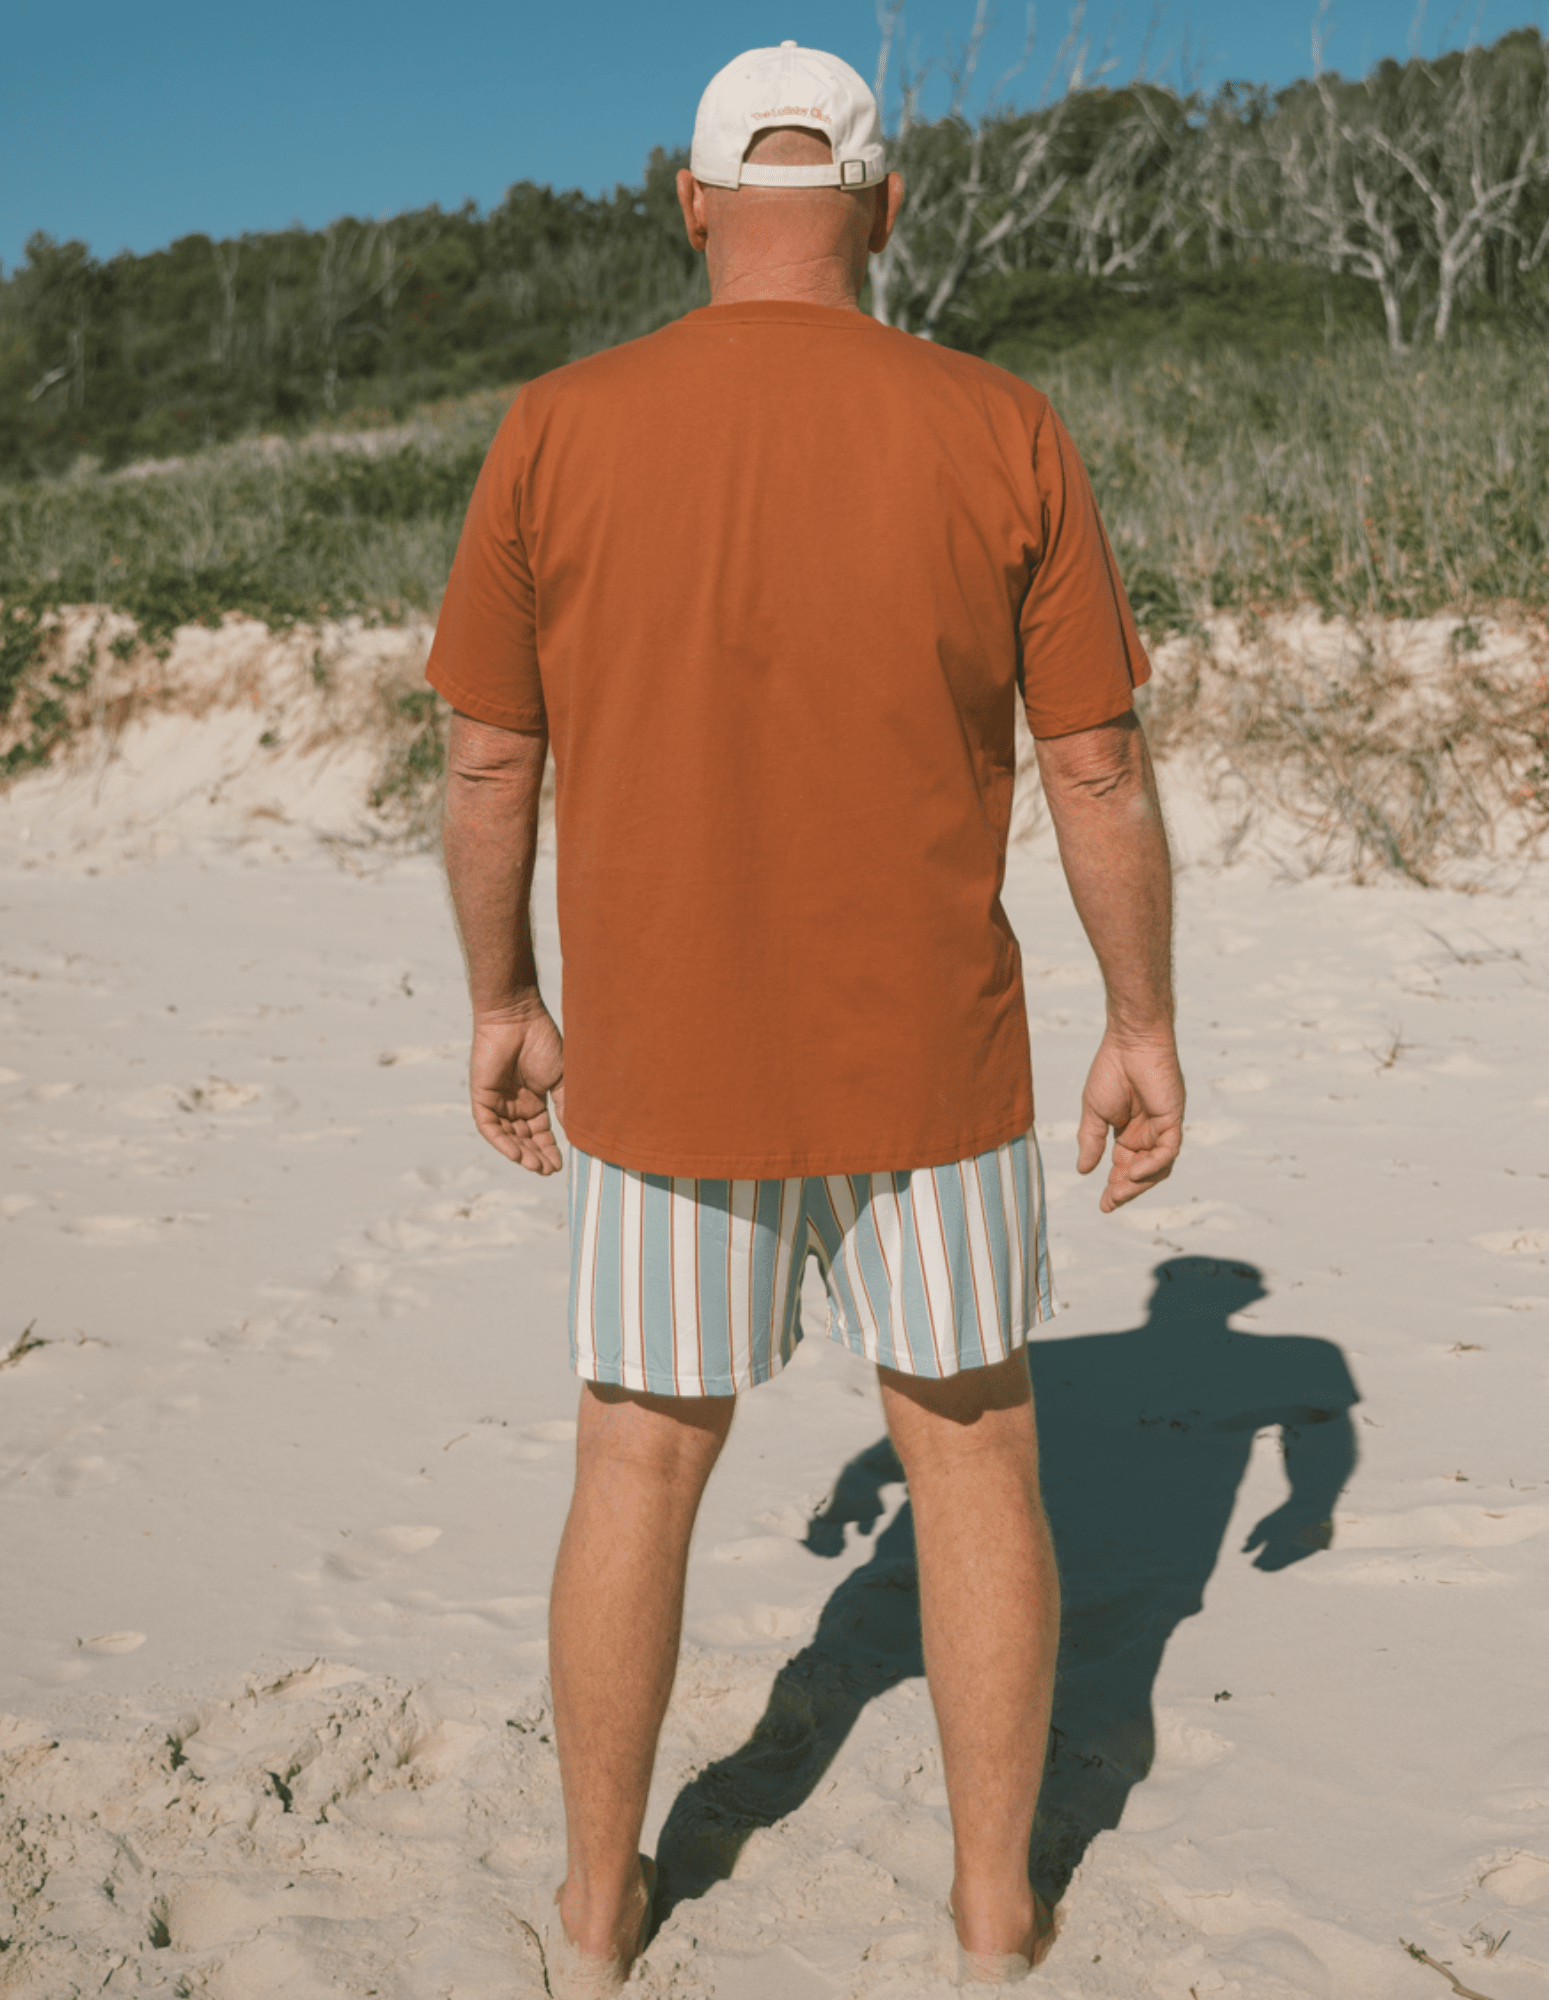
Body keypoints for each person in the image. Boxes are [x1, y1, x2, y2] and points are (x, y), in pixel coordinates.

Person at [425, 39, 1184, 1993]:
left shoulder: (554, 428)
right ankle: (994, 1910)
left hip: (664, 1065)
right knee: (974, 1458)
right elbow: (1094, 768)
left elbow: (490, 762)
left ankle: (598, 1909)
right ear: (885, 206)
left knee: (635, 1462)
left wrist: (503, 995)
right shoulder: (1001, 424)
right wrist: (1140, 1020)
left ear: (687, 203)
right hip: (933, 1062)